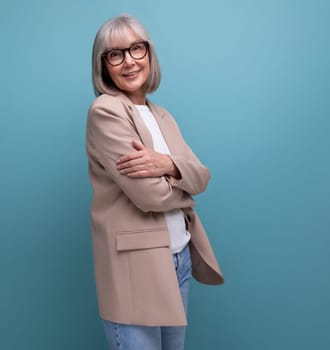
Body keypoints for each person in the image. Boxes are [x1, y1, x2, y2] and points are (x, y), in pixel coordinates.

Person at [86, 14, 224, 350]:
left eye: (136, 49)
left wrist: (166, 164)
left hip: (179, 258)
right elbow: (149, 196)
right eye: (115, 54)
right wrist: (184, 181)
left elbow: (202, 175)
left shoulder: (162, 115)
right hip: (136, 266)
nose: (129, 61)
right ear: (104, 66)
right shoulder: (106, 112)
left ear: (149, 54)